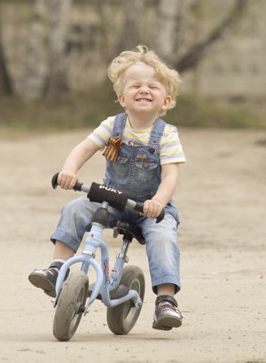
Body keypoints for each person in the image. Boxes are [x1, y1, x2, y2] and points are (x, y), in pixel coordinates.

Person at [28, 44, 187, 331]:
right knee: (75, 210)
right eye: (136, 85)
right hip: (111, 199)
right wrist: (69, 170)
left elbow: (170, 176)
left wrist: (159, 202)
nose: (144, 89)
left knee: (164, 238)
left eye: (153, 86)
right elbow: (85, 147)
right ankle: (57, 270)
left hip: (150, 209)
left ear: (166, 101)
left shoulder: (168, 136)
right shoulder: (113, 125)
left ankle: (166, 301)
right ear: (122, 97)